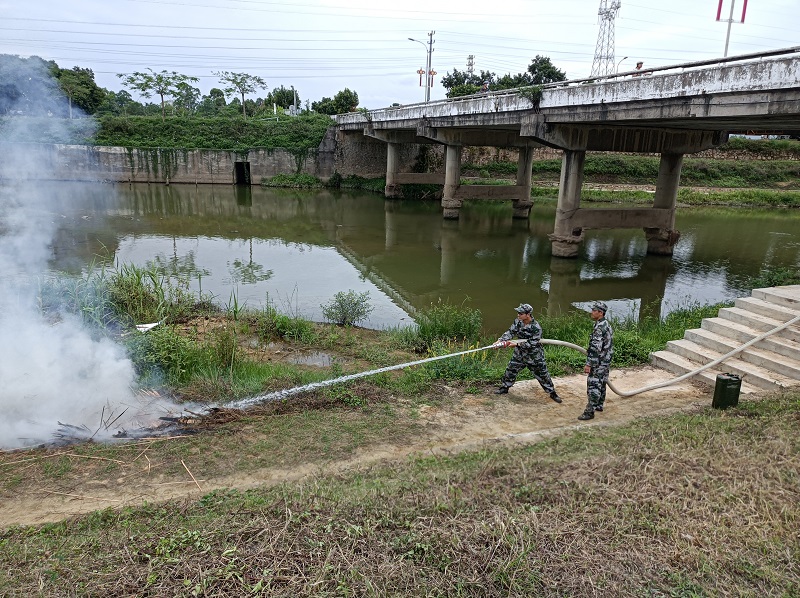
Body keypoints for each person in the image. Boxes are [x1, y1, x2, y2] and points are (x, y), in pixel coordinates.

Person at [492, 303, 562, 403]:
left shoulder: (536, 327)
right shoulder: (518, 322)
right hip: (519, 354)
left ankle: (552, 393)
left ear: (528, 314)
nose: (518, 315)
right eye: (518, 313)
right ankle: (504, 388)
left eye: (520, 313)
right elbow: (511, 332)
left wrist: (516, 345)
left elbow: (532, 343)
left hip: (534, 355)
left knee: (543, 374)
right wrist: (500, 341)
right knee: (511, 369)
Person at [578, 301, 614, 420]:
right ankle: (599, 405)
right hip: (605, 360)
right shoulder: (605, 324)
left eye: (594, 310)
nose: (591, 312)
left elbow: (595, 348)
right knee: (602, 382)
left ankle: (590, 411)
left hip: (598, 361)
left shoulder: (599, 327)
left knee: (593, 384)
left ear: (600, 313)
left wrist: (589, 364)